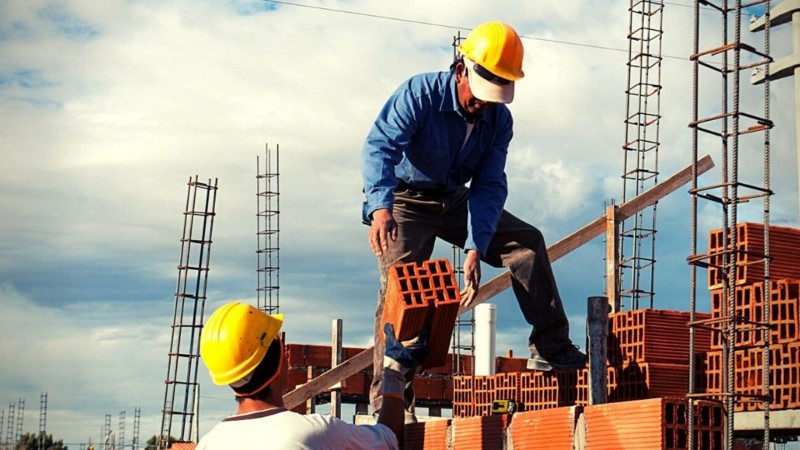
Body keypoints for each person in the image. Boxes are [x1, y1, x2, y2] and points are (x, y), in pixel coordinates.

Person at [361, 20, 587, 419]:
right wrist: (381, 208)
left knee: (526, 243)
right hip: (405, 201)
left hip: (454, 199)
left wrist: (474, 247)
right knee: (405, 292)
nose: (484, 103)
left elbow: (489, 186)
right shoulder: (419, 94)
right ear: (462, 69)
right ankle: (392, 402)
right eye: (481, 93)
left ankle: (551, 348)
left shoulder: (499, 121)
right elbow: (379, 147)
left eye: (495, 95)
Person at [196, 301, 429, 450]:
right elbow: (387, 438)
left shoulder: (208, 444)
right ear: (278, 358)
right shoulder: (312, 433)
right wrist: (394, 371)